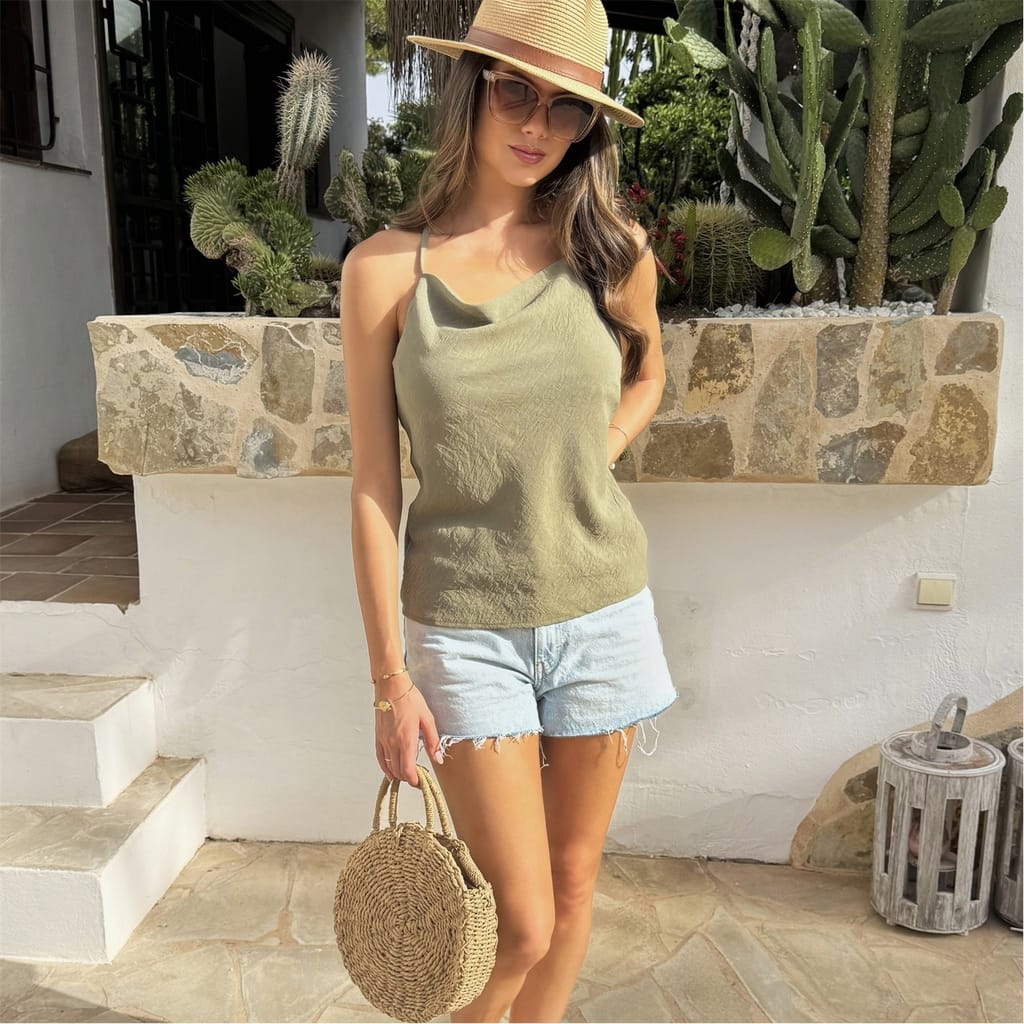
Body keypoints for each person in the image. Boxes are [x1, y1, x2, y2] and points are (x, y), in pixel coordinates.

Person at [340, 1, 678, 1019]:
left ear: (589, 127)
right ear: (470, 89)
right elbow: (373, 482)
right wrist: (388, 682)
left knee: (572, 889)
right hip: (466, 629)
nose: (537, 124)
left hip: (603, 611)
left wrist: (588, 455)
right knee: (517, 921)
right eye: (514, 91)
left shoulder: (609, 250)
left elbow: (649, 375)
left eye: (566, 108)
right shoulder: (384, 270)